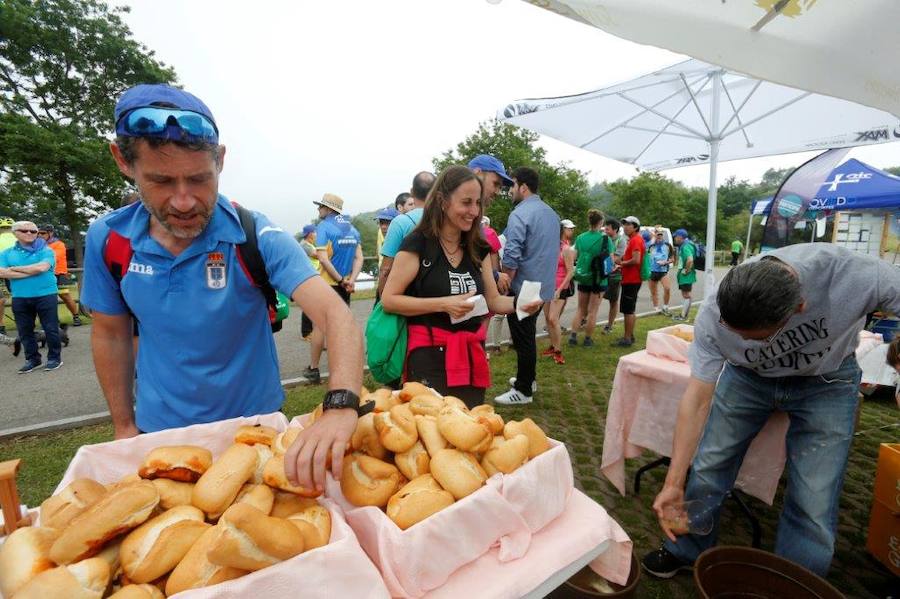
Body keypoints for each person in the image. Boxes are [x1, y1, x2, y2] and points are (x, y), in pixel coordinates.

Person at [80, 84, 363, 495]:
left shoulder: (255, 234)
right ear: (123, 161)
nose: (183, 201)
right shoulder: (109, 239)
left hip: (255, 430)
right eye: (161, 181)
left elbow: (335, 315)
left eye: (199, 179)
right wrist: (124, 426)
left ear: (221, 161)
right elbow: (110, 334)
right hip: (160, 432)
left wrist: (341, 405)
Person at [643, 244, 900, 579]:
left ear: (800, 308)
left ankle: (791, 583)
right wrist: (673, 482)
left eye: (755, 339)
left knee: (814, 493)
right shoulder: (713, 313)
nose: (744, 343)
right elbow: (697, 399)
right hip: (747, 379)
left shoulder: (860, 275)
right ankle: (687, 549)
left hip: (828, 379)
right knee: (710, 465)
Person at [381, 166, 541, 408]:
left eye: (478, 203)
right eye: (466, 203)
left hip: (471, 356)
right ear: (442, 201)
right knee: (432, 426)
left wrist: (521, 304)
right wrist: (443, 304)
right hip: (427, 356)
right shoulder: (418, 243)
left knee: (469, 423)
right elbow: (389, 300)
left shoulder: (478, 248)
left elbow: (494, 300)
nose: (474, 211)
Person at [494, 167, 560, 406]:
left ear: (522, 187)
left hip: (523, 286)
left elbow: (512, 252)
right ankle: (528, 380)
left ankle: (523, 390)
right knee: (527, 335)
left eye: (512, 185)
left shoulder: (520, 213)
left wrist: (505, 280)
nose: (509, 191)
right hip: (543, 286)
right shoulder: (552, 214)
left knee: (522, 338)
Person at [303, 192, 364, 384]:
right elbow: (359, 258)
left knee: (320, 327)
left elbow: (322, 258)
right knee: (340, 327)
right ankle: (342, 370)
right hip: (346, 285)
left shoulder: (324, 227)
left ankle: (313, 370)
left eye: (321, 206)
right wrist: (351, 280)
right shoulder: (352, 229)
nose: (318, 209)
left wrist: (339, 280)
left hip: (328, 284)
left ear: (329, 209)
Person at [0, 220, 62, 372]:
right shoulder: (6, 253)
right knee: (24, 330)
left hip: (46, 294)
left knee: (50, 328)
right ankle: (32, 359)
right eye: (24, 230)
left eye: (33, 231)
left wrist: (14, 269)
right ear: (15, 233)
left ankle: (54, 358)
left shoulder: (46, 250)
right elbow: (2, 272)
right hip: (20, 296)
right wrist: (30, 270)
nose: (29, 233)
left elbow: (42, 268)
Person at [377, 171, 436, 299]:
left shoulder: (400, 222)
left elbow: (386, 268)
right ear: (436, 191)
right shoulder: (444, 220)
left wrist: (382, 297)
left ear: (412, 192)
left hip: (406, 295)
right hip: (439, 292)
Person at [568, 209, 612, 347]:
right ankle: (587, 339)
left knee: (580, 309)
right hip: (599, 279)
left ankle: (573, 337)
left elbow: (574, 257)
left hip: (583, 277)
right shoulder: (605, 239)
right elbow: (610, 260)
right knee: (593, 311)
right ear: (601, 222)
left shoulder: (580, 238)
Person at [540, 220, 576, 364]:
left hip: (560, 287)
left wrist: (559, 289)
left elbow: (570, 272)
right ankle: (553, 346)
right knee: (547, 318)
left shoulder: (566, 249)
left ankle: (558, 351)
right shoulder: (550, 247)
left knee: (553, 319)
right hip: (547, 286)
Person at [37, 224, 82, 326]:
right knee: (47, 298)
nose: (40, 235)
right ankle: (53, 320)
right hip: (44, 275)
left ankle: (76, 316)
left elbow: (54, 257)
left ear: (50, 233)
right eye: (38, 233)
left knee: (65, 296)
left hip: (59, 273)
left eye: (43, 233)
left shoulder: (58, 244)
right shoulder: (37, 246)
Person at [614, 216, 645, 347]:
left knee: (628, 311)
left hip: (632, 280)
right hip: (631, 279)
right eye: (624, 224)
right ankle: (629, 336)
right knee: (629, 309)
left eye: (628, 224)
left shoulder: (636, 240)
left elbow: (636, 260)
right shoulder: (633, 239)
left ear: (635, 227)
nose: (625, 227)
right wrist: (621, 265)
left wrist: (622, 263)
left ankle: (627, 339)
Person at [601, 218, 625, 335]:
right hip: (601, 274)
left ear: (615, 230)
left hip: (614, 275)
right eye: (605, 228)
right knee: (594, 299)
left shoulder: (621, 241)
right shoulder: (603, 238)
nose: (605, 231)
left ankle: (609, 325)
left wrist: (605, 263)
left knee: (613, 301)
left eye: (607, 229)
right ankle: (584, 319)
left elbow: (617, 258)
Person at [298, 224, 319, 340]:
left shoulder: (309, 244)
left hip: (311, 277)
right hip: (308, 278)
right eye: (315, 232)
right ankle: (306, 333)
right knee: (309, 305)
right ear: (310, 234)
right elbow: (317, 256)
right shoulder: (305, 245)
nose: (316, 235)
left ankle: (309, 330)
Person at [647, 228, 674, 315]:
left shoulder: (668, 246)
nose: (659, 237)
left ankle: (665, 306)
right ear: (654, 236)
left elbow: (672, 259)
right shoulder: (650, 246)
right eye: (657, 235)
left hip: (663, 271)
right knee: (654, 292)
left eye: (660, 235)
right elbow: (645, 257)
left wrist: (665, 262)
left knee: (667, 288)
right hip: (652, 272)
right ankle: (656, 308)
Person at [672, 229, 696, 322]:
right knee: (686, 294)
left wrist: (686, 270)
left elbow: (690, 259)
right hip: (687, 275)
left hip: (686, 276)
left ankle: (683, 316)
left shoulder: (685, 246)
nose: (675, 238)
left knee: (686, 295)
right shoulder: (687, 244)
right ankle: (683, 315)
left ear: (680, 237)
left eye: (676, 236)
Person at [0, 217, 16, 335]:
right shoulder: (19, 239)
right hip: (16, 272)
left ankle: (1, 326)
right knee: (20, 297)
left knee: (0, 299)